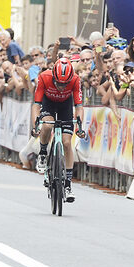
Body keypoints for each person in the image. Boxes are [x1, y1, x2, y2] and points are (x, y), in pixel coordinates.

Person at [31, 58, 86, 203]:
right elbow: (36, 105)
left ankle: (67, 184)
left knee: (67, 143)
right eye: (59, 83)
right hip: (48, 104)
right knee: (47, 125)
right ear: (54, 77)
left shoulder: (75, 80)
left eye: (65, 84)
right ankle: (43, 152)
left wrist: (80, 127)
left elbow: (79, 107)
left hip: (65, 106)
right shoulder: (44, 77)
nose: (62, 87)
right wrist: (35, 126)